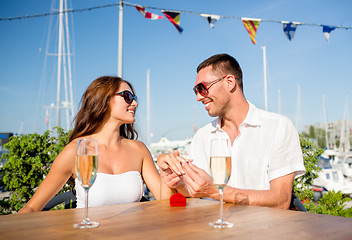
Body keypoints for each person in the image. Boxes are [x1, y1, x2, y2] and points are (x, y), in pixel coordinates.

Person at [157, 53, 306, 209]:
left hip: (261, 230)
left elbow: (280, 200)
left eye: (202, 88)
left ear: (229, 82)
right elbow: (196, 191)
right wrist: (173, 179)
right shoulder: (202, 135)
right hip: (211, 228)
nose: (198, 98)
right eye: (196, 91)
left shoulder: (278, 127)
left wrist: (215, 191)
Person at [19, 76, 172, 213]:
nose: (135, 103)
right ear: (103, 100)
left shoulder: (139, 149)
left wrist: (166, 174)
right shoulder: (77, 150)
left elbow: (164, 201)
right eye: (127, 96)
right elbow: (32, 207)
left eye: (134, 97)